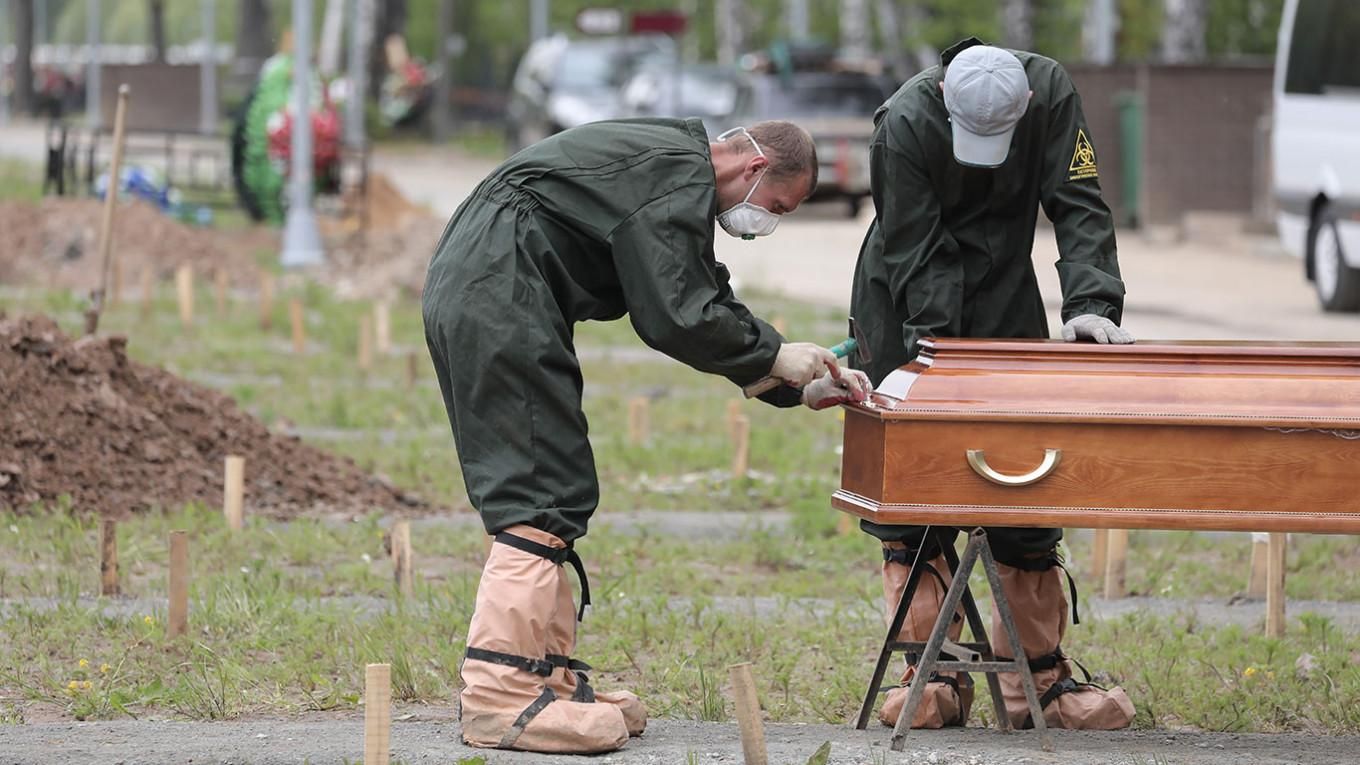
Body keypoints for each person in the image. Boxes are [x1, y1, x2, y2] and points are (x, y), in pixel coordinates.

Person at [423, 118, 871, 753]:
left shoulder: (671, 168)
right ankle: (501, 695)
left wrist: (798, 386)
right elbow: (676, 314)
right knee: (537, 485)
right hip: (498, 293)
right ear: (752, 168)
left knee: (559, 483)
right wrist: (775, 352)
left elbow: (698, 291)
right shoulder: (674, 174)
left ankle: (541, 676)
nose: (765, 222)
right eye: (776, 207)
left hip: (499, 287)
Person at [849, 38, 1137, 731]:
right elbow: (915, 247)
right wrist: (939, 361)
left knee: (1023, 478)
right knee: (913, 491)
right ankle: (933, 671)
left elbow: (1080, 205)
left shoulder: (1052, 96)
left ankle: (1038, 683)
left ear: (1026, 105)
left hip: (1006, 294)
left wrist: (1092, 304)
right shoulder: (904, 122)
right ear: (945, 100)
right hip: (906, 303)